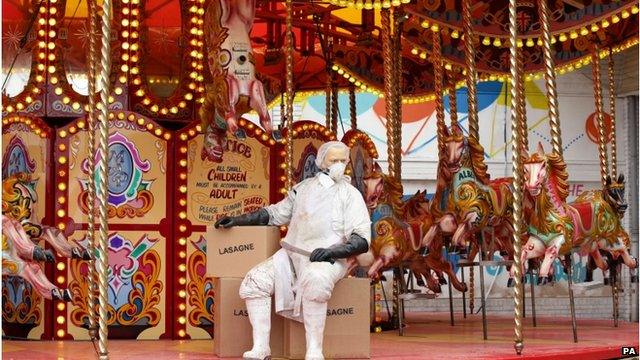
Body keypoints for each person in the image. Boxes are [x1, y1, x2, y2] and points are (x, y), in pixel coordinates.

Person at [214, 141, 371, 360]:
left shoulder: (351, 195)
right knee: (254, 281)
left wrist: (332, 252)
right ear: (321, 161)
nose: (339, 165)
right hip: (291, 254)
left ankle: (314, 350)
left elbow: (361, 239)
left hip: (328, 260)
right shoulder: (303, 189)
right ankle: (261, 347)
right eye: (333, 160)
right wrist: (239, 220)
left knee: (316, 281)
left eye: (342, 161)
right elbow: (274, 214)